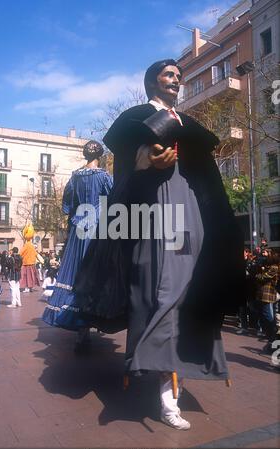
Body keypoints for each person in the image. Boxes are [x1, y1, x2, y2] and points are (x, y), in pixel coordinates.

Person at [76, 59, 245, 430]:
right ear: (153, 80)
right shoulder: (135, 118)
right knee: (161, 294)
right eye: (169, 75)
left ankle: (172, 385)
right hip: (152, 217)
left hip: (190, 216)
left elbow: (206, 175)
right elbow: (125, 170)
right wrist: (147, 160)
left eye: (179, 77)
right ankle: (165, 393)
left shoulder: (186, 124)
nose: (176, 81)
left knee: (188, 292)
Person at [42, 140, 113, 351]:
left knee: (75, 273)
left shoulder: (75, 177)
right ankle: (93, 323)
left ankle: (81, 333)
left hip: (77, 230)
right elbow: (116, 201)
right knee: (97, 274)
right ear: (101, 155)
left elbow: (66, 206)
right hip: (97, 229)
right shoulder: (105, 177)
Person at [19, 224, 40, 292]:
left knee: (25, 276)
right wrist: (40, 259)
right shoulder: (32, 245)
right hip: (32, 263)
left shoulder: (26, 245)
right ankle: (30, 287)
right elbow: (36, 254)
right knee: (32, 276)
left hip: (26, 263)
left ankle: (27, 288)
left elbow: (20, 253)